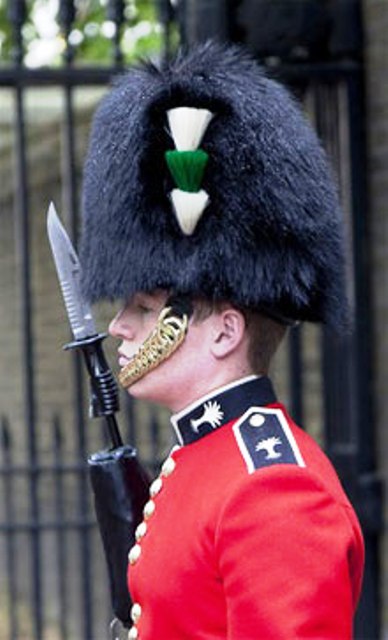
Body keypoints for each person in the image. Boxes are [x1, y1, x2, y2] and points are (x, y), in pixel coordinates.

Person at [80, 42, 364, 639]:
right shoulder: (204, 458)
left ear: (224, 331)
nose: (119, 326)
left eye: (145, 306)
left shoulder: (274, 490)